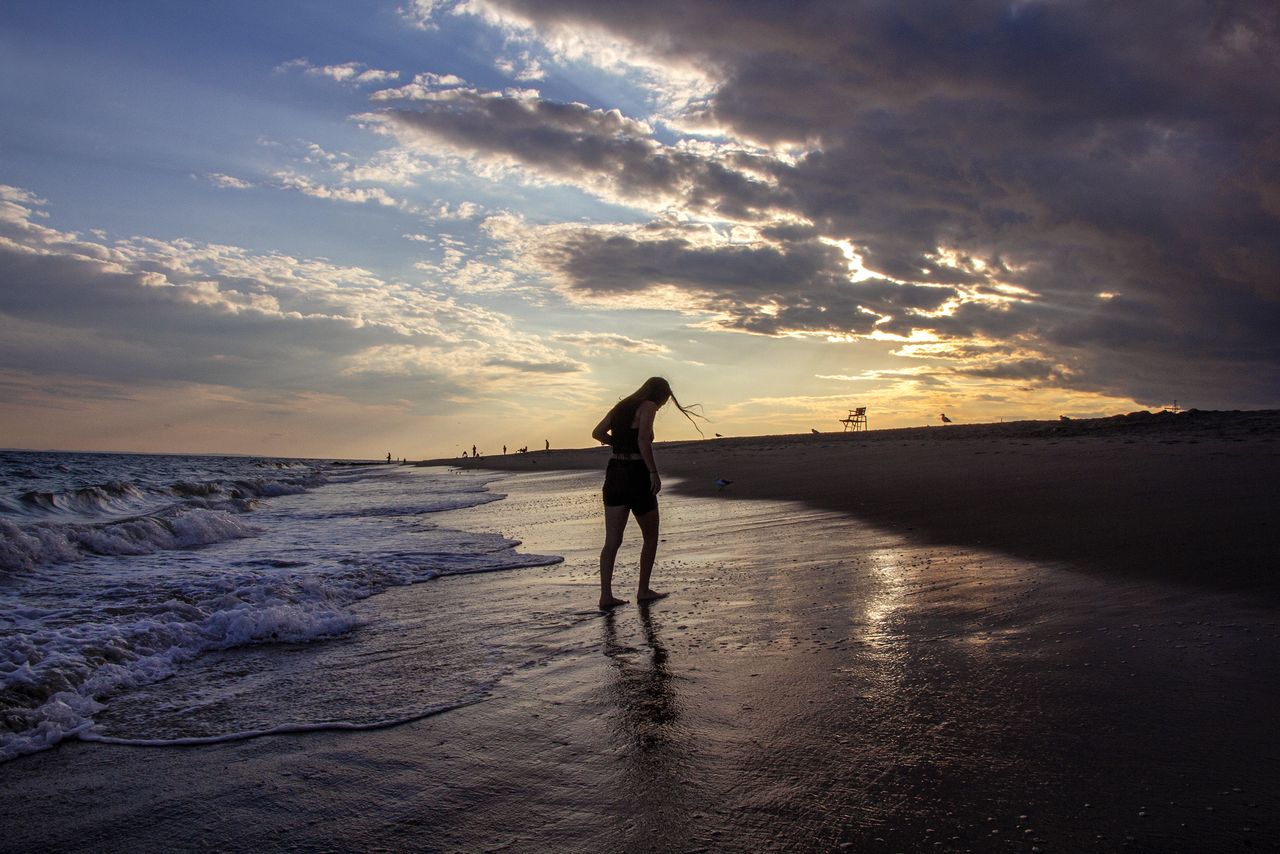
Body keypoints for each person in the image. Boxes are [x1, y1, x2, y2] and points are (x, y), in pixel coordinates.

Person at [590, 377, 704, 609]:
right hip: (636, 473)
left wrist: (618, 443)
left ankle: (606, 596)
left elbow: (597, 432)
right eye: (664, 400)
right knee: (650, 536)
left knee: (612, 541)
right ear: (660, 395)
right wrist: (653, 471)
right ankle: (643, 590)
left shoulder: (621, 406)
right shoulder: (648, 406)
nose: (662, 405)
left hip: (615, 474)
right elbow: (643, 440)